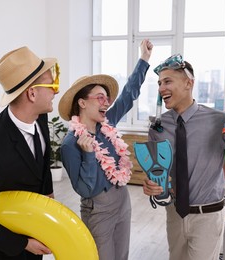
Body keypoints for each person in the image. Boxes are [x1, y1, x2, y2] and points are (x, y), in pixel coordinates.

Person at [142, 54, 225, 260]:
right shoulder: (158, 126)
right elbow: (157, 173)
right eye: (159, 83)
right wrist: (151, 186)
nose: (161, 88)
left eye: (168, 81)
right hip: (174, 214)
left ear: (189, 83)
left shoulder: (220, 121)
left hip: (208, 216)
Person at [0, 46, 59, 259]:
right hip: (12, 242)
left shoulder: (39, 115)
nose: (56, 90)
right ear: (32, 94)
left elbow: (42, 161)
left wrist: (48, 194)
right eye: (51, 84)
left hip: (36, 221)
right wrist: (24, 243)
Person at [58, 39, 153, 260]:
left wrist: (144, 59)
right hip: (98, 209)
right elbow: (85, 190)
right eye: (100, 98)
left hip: (123, 200)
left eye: (107, 98)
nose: (107, 102)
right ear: (82, 103)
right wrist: (89, 156)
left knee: (122, 256)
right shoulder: (70, 144)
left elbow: (129, 93)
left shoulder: (107, 123)